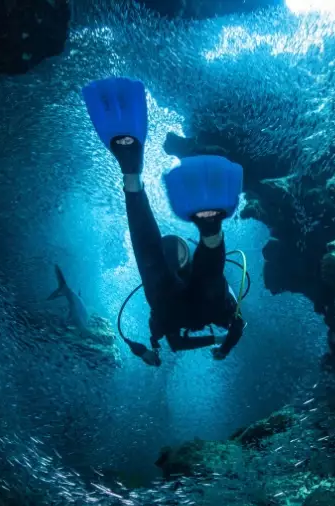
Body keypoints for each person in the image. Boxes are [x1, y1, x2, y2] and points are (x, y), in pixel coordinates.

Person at [82, 77, 246, 366]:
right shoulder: (203, 287)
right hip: (199, 306)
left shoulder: (176, 286)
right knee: (158, 262)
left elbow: (176, 343)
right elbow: (237, 325)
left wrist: (219, 344)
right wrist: (223, 347)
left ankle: (208, 231)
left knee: (154, 264)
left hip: (175, 309)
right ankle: (136, 181)